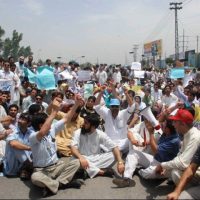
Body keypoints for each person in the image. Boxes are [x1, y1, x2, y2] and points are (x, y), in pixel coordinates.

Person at [29, 96, 82, 197]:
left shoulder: (51, 129)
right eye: (47, 122)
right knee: (35, 178)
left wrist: (76, 104)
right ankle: (62, 183)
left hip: (57, 166)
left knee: (76, 162)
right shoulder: (33, 136)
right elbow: (42, 132)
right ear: (41, 125)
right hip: (42, 171)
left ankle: (54, 185)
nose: (51, 123)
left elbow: (66, 118)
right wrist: (55, 111)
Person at [70, 113, 126, 179]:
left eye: (86, 123)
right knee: (75, 160)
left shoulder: (100, 134)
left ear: (93, 126)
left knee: (115, 155)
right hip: (81, 158)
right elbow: (73, 147)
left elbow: (114, 147)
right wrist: (81, 158)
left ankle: (87, 170)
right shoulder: (78, 132)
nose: (83, 124)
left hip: (95, 158)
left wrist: (120, 162)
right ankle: (100, 172)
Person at [155, 109, 200, 185]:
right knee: (164, 170)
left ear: (183, 124)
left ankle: (188, 192)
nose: (173, 124)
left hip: (197, 173)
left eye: (175, 122)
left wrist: (162, 165)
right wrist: (166, 167)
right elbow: (180, 154)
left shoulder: (195, 137)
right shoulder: (188, 133)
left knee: (175, 173)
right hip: (190, 167)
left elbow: (183, 163)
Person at [94, 86, 136, 153]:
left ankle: (116, 151)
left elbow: (132, 107)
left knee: (132, 138)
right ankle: (116, 151)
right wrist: (101, 92)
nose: (114, 108)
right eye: (113, 106)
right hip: (109, 142)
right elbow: (96, 107)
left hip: (122, 142)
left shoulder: (123, 113)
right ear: (110, 107)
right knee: (102, 142)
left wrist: (126, 93)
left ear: (119, 107)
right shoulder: (106, 112)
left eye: (116, 107)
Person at [3, 113, 33, 179]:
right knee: (16, 147)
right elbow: (13, 144)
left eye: (23, 119)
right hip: (13, 163)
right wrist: (30, 148)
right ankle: (28, 168)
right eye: (20, 118)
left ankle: (26, 169)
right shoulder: (12, 131)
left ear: (28, 123)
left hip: (26, 160)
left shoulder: (31, 132)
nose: (19, 121)